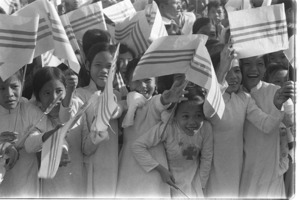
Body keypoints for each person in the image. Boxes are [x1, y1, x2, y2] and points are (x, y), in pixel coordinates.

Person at [205, 45, 290, 198]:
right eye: (227, 71)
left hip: (241, 177)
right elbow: (208, 110)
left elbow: (266, 125)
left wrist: (277, 106)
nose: (233, 77)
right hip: (214, 173)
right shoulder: (212, 97)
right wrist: (221, 71)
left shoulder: (244, 98)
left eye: (236, 71)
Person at [116, 60, 188, 198]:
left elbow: (161, 102)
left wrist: (167, 97)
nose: (143, 85)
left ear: (156, 83)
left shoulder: (153, 103)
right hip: (128, 167)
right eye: (137, 80)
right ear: (127, 81)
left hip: (155, 170)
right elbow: (116, 110)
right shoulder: (126, 104)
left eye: (148, 80)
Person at [132, 85, 213, 198]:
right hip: (168, 183)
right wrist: (160, 169)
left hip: (194, 183)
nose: (192, 122)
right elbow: (138, 146)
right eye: (185, 116)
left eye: (198, 115)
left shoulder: (206, 128)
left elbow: (207, 158)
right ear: (174, 115)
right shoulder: (168, 128)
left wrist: (202, 186)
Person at [25, 67, 88, 197]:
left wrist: (97, 135)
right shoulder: (36, 116)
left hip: (78, 183)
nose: (54, 97)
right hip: (51, 188)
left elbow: (66, 117)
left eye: (59, 91)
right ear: (38, 97)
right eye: (47, 93)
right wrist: (49, 135)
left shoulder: (77, 105)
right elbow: (29, 145)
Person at [239, 55, 294, 198]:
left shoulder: (277, 93)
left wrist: (284, 163)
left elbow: (292, 131)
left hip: (270, 177)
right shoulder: (232, 94)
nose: (253, 69)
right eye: (247, 64)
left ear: (265, 68)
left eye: (259, 63)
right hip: (239, 177)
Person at [76, 42, 122, 197]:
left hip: (111, 167)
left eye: (109, 66)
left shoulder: (118, 95)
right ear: (88, 65)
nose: (103, 71)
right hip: (88, 167)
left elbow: (120, 109)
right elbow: (85, 148)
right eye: (98, 65)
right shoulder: (79, 96)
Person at [0, 70, 48, 197]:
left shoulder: (29, 110)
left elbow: (49, 132)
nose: (9, 94)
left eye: (14, 86)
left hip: (26, 183)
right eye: (2, 88)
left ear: (23, 83)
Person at [265, 63, 295, 198]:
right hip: (267, 166)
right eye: (277, 81)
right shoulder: (261, 105)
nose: (282, 86)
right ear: (268, 83)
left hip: (288, 163)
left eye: (286, 81)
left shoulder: (293, 105)